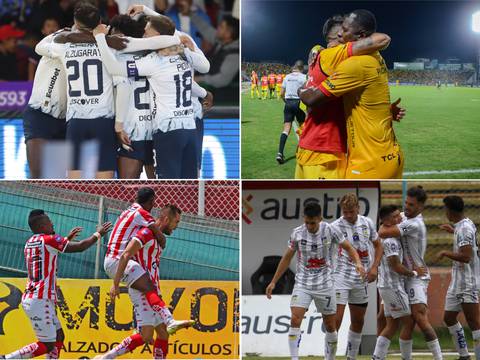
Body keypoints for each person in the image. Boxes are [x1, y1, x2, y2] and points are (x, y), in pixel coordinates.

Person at [299, 10, 404, 179]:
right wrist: (386, 111)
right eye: (338, 33)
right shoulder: (378, 57)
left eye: (345, 31)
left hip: (367, 162)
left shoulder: (354, 64)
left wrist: (301, 88)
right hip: (392, 154)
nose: (341, 34)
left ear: (361, 36)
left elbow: (311, 99)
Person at [1, 210, 112, 359]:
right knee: (47, 344)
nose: (52, 223)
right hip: (40, 298)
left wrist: (65, 239)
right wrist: (98, 234)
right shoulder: (49, 240)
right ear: (41, 226)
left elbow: (48, 254)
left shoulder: (29, 243)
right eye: (48, 221)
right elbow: (80, 246)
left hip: (36, 297)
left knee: (59, 337)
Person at [265, 202, 365, 360]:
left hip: (325, 284)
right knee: (295, 318)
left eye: (313, 222)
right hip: (303, 284)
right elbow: (286, 258)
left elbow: (349, 248)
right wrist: (273, 281)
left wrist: (358, 263)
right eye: (307, 222)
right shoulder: (297, 233)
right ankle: (294, 358)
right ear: (303, 218)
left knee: (330, 326)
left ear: (320, 219)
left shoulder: (330, 230)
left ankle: (329, 358)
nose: (310, 226)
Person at [34, 3, 117, 179]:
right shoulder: (110, 46)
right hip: (103, 118)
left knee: (74, 173)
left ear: (75, 23)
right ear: (99, 22)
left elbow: (39, 47)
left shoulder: (64, 47)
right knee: (104, 170)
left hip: (76, 119)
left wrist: (62, 33)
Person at [102, 205, 189, 359]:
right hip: (143, 288)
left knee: (159, 334)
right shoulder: (146, 233)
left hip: (152, 289)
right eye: (176, 222)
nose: (177, 226)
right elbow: (127, 253)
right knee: (147, 335)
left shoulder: (157, 236)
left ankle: (105, 358)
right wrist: (115, 284)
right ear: (167, 219)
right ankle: (106, 358)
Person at [378, 186, 443, 360]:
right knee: (393, 320)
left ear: (421, 206)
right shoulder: (404, 217)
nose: (407, 207)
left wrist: (384, 226)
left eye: (412, 205)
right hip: (402, 276)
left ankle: (439, 357)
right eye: (406, 203)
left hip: (416, 277)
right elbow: (384, 228)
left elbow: (383, 231)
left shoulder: (415, 223)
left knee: (419, 317)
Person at [331, 193, 382, 359]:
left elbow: (378, 245)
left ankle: (350, 357)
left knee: (358, 320)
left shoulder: (367, 223)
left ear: (358, 209)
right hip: (341, 277)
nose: (347, 215)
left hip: (361, 278)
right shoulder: (335, 226)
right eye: (345, 212)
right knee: (336, 320)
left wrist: (374, 267)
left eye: (351, 212)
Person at [373, 205, 427, 360]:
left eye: (399, 215)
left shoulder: (392, 232)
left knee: (392, 325)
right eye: (396, 216)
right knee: (408, 323)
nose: (400, 218)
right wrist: (415, 272)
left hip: (388, 286)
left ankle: (377, 357)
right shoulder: (390, 241)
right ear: (386, 221)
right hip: (392, 287)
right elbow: (396, 266)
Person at [436, 195, 480, 360]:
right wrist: (452, 230)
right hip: (457, 282)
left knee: (474, 321)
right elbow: (467, 243)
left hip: (467, 282)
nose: (444, 211)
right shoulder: (463, 225)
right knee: (449, 317)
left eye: (445, 208)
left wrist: (446, 252)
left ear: (450, 210)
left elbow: (466, 257)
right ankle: (464, 355)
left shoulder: (465, 229)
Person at [276, 61, 306, 165]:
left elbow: (281, 93)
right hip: (299, 103)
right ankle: (304, 152)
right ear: (301, 68)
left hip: (288, 103)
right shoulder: (304, 77)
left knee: (286, 129)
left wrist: (286, 102)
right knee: (303, 127)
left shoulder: (287, 77)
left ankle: (280, 153)